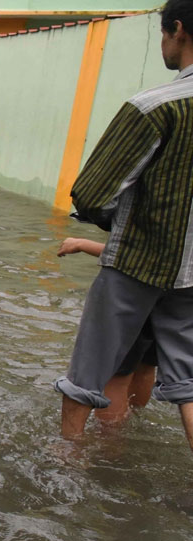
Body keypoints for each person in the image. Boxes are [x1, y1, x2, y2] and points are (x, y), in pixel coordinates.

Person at [53, 0, 193, 447]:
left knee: (88, 373)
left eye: (163, 34)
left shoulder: (155, 106)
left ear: (177, 29)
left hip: (139, 262)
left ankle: (65, 466)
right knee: (188, 385)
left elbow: (92, 193)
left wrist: (120, 222)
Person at [57, 237, 156, 428]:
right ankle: (135, 419)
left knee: (117, 377)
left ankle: (109, 440)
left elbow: (138, 257)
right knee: (146, 365)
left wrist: (82, 244)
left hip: (138, 291)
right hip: (177, 300)